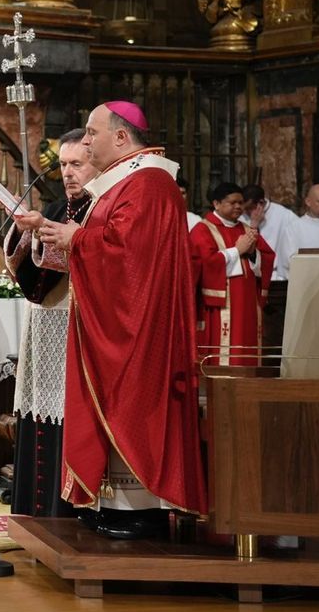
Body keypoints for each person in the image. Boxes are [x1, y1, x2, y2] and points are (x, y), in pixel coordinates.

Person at [34, 100, 207, 537]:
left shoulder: (148, 183)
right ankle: (110, 504)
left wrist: (77, 237)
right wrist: (62, 236)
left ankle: (137, 509)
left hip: (138, 329)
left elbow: (130, 256)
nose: (85, 140)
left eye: (91, 133)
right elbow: (111, 243)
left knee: (133, 411)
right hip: (122, 318)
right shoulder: (128, 182)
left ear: (122, 137)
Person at [6, 129, 95, 518]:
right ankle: (32, 511)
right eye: (63, 165)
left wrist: (48, 239)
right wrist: (24, 234)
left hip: (75, 330)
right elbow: (31, 277)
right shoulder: (59, 208)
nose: (69, 173)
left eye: (77, 164)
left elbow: (87, 259)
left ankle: (64, 513)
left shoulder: (102, 208)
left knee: (65, 419)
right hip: (43, 329)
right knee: (39, 415)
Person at [190, 182, 274, 369]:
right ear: (216, 204)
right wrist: (237, 250)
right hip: (222, 303)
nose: (238, 206)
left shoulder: (245, 229)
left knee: (247, 347)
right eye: (232, 202)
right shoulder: (202, 229)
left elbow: (266, 257)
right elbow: (204, 263)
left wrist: (252, 253)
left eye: (241, 202)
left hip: (248, 302)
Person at [241, 184, 296, 350]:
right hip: (251, 277)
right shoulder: (243, 217)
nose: (245, 211)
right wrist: (253, 224)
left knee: (276, 330)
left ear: (261, 203)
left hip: (278, 280)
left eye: (249, 207)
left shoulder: (285, 216)